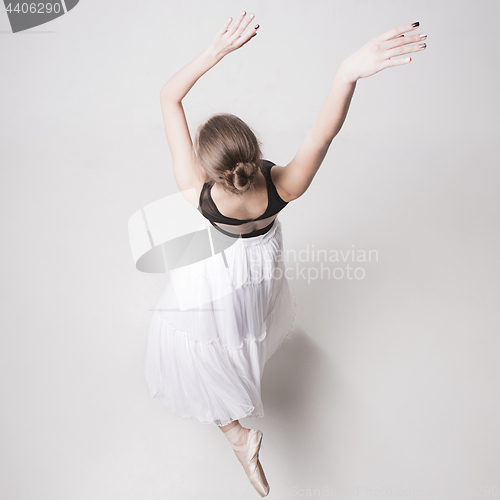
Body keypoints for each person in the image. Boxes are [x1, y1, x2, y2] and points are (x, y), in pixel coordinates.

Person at [144, 11, 427, 497]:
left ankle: (238, 435)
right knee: (238, 335)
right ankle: (239, 425)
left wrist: (213, 53)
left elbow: (169, 96)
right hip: (258, 276)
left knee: (193, 353)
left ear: (209, 171)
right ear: (254, 154)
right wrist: (346, 73)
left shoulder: (197, 191)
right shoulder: (284, 186)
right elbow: (323, 133)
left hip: (217, 276)